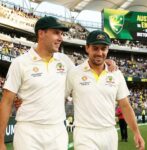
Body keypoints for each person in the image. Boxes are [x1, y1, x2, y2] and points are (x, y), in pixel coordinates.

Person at [0, 16, 116, 150]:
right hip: (28, 131)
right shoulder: (20, 62)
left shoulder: (65, 61)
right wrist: (0, 141)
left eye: (61, 34)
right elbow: (6, 101)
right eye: (56, 33)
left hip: (58, 131)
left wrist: (104, 62)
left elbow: (85, 75)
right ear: (41, 33)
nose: (61, 38)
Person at [66, 30, 145, 150]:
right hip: (85, 133)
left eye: (103, 48)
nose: (100, 53)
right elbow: (60, 98)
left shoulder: (116, 74)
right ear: (87, 48)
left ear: (108, 49)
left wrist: (136, 133)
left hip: (109, 133)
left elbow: (125, 106)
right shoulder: (74, 73)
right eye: (95, 48)